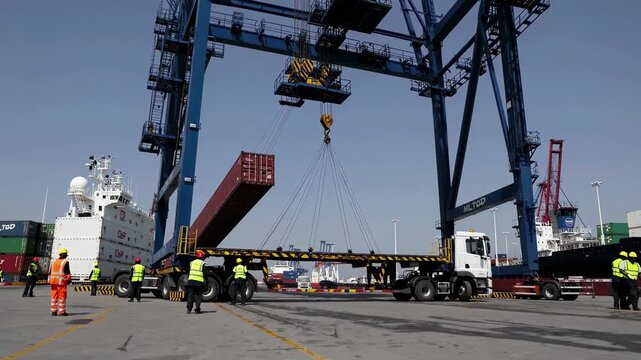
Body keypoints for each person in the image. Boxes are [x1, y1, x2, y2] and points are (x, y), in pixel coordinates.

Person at [49, 248, 71, 316]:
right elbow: (67, 273)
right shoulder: (65, 262)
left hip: (53, 281)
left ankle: (53, 311)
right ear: (63, 254)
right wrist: (69, 280)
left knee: (54, 296)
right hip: (61, 282)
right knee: (62, 296)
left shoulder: (53, 261)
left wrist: (49, 279)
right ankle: (62, 312)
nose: (66, 255)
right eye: (66, 254)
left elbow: (49, 271)